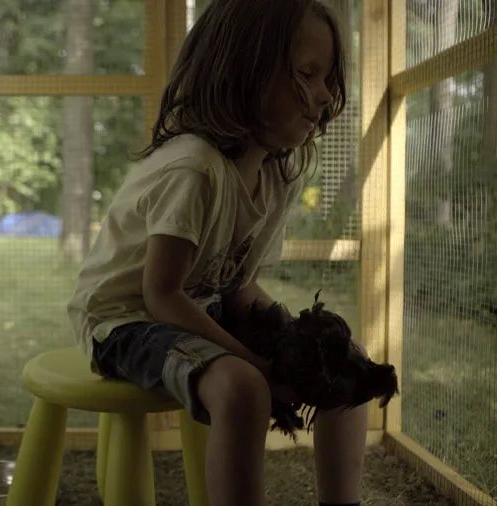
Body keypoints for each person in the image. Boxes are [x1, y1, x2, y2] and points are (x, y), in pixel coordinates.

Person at [66, 1, 368, 504]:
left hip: (199, 308)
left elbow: (239, 289)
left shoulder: (277, 174)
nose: (323, 95)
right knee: (243, 387)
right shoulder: (194, 168)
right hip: (122, 322)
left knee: (346, 359)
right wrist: (258, 366)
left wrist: (307, 348)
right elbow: (161, 295)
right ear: (242, 70)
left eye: (326, 78)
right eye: (306, 74)